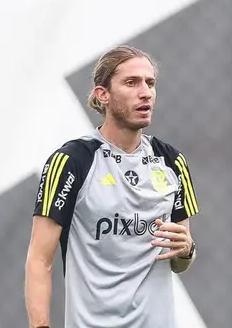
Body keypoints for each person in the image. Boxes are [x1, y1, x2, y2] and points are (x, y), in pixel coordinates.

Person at [24, 45, 200, 328]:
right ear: (102, 95)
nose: (146, 92)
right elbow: (39, 260)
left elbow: (179, 260)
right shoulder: (72, 161)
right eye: (131, 83)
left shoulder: (172, 161)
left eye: (150, 83)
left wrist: (187, 250)